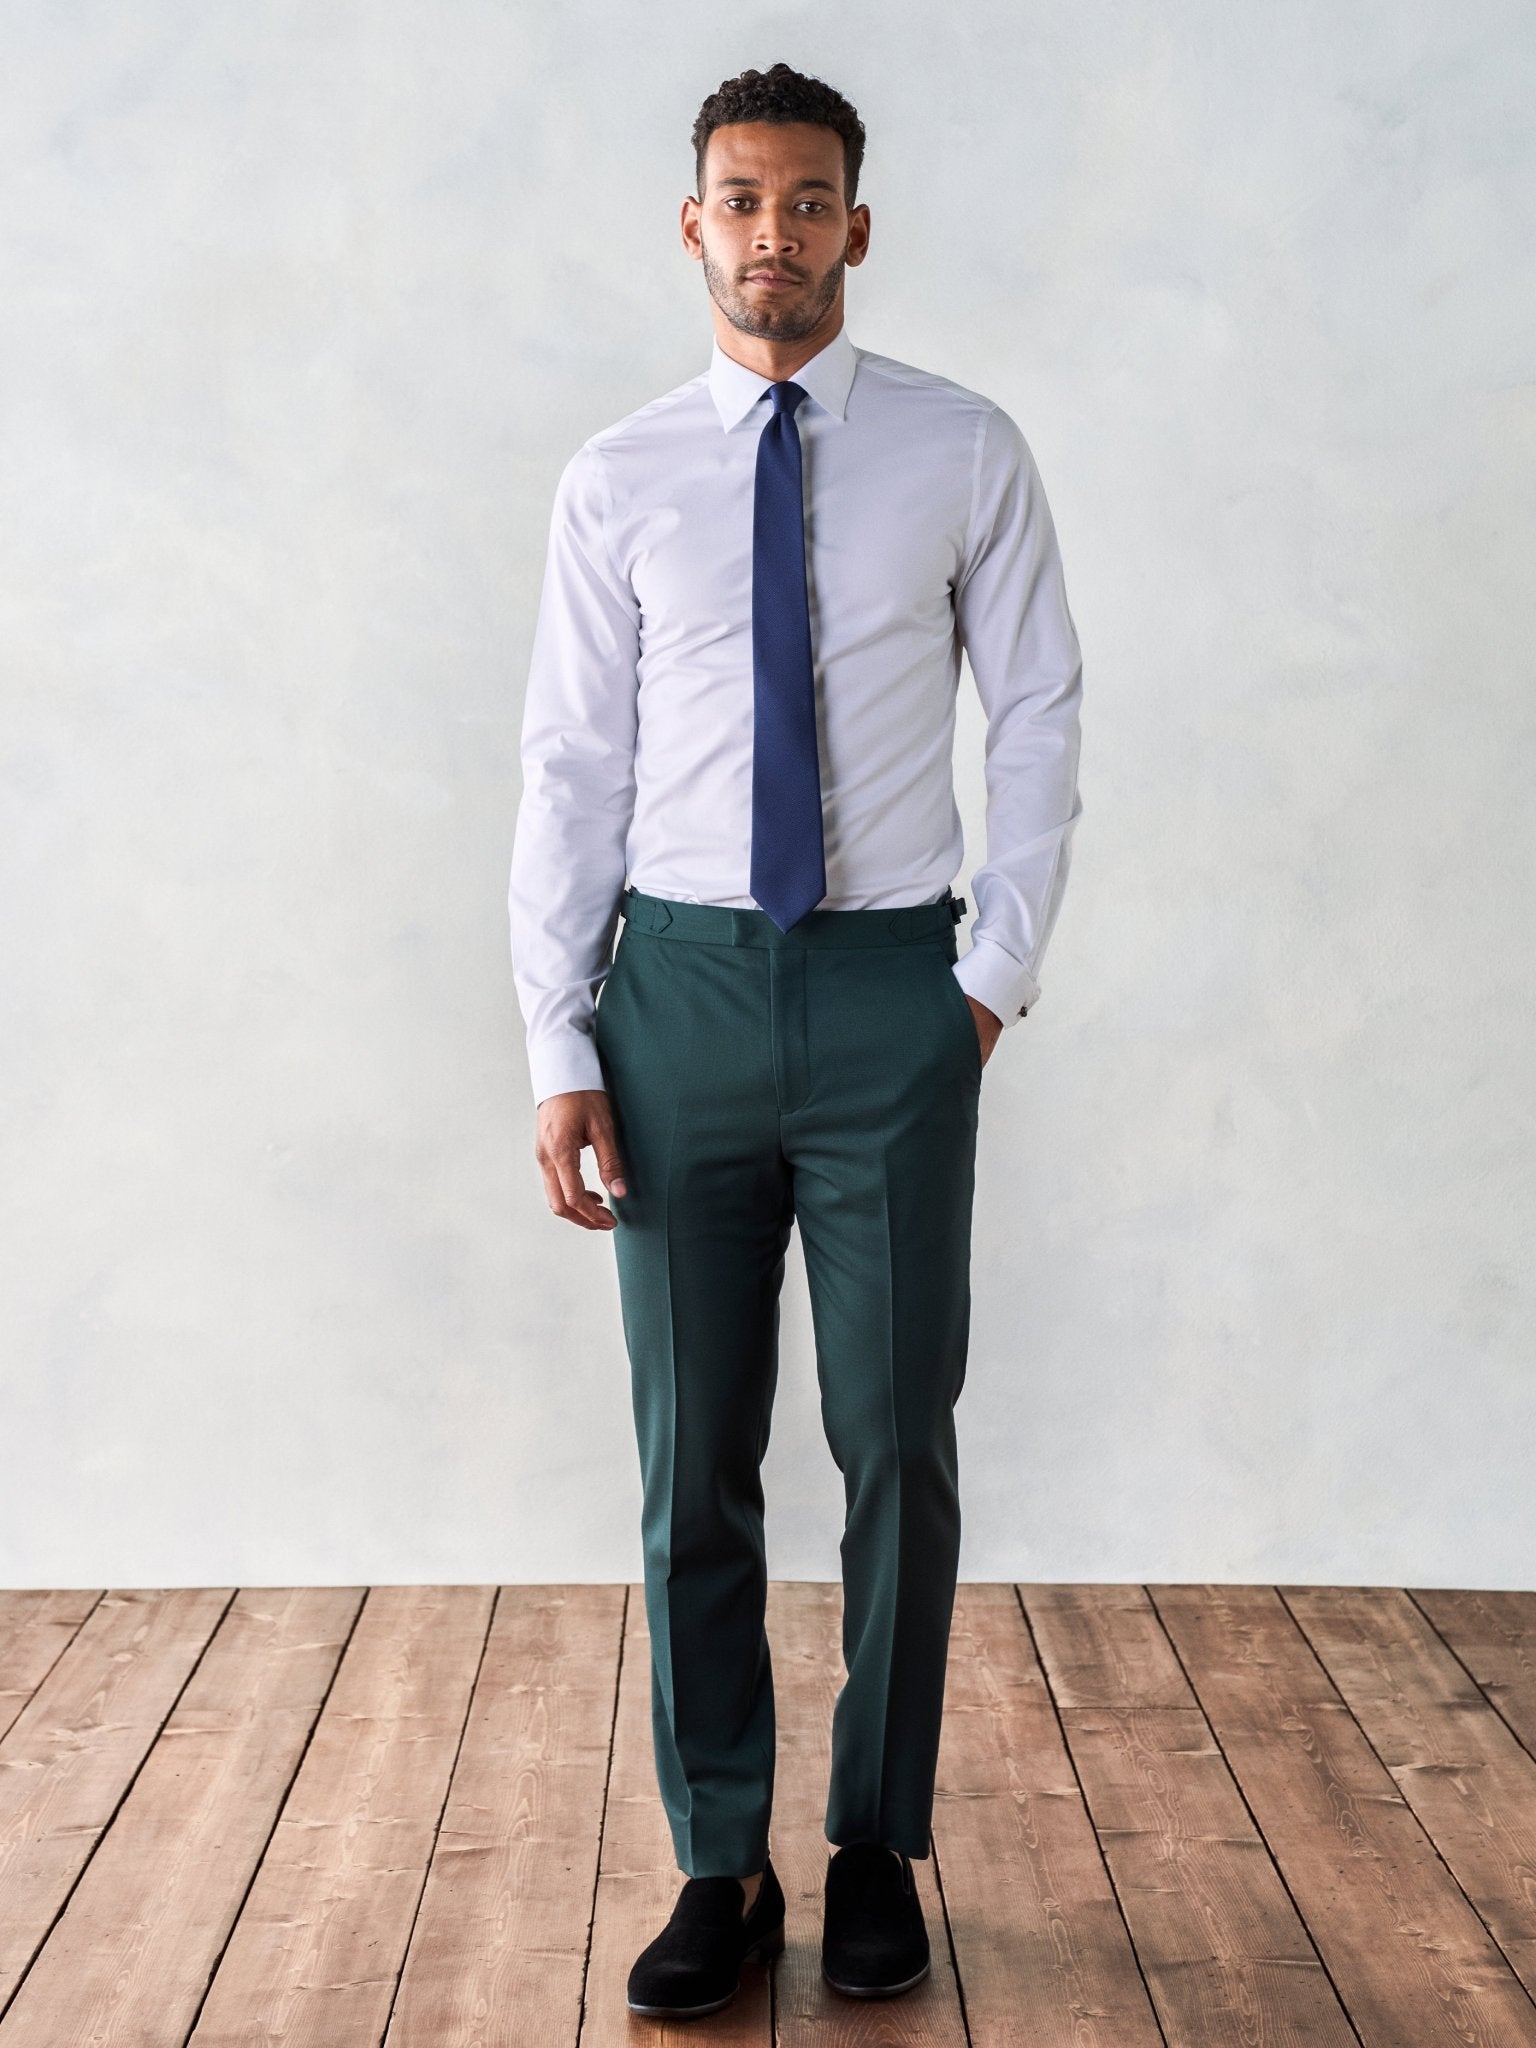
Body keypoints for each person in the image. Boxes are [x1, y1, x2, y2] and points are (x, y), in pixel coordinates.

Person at [508, 60, 1083, 2019]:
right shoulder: (622, 477)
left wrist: (986, 978)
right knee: (694, 1460)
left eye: (810, 198)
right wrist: (556, 1038)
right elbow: (572, 768)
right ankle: (717, 1857)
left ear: (859, 220)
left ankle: (870, 1844)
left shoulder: (964, 450)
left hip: (882, 992)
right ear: (697, 226)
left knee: (894, 1437)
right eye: (742, 201)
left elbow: (1044, 714)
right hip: (670, 992)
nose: (776, 232)